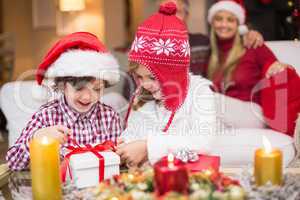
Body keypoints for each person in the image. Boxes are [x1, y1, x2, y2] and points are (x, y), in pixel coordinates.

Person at [116, 2, 217, 167]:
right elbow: (133, 131)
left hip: (183, 178)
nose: (145, 84)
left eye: (152, 77)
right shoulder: (142, 95)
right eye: (139, 77)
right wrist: (125, 144)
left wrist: (148, 146)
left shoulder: (199, 92)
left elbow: (203, 141)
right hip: (143, 179)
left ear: (174, 73)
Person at [6, 32, 122, 170]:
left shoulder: (109, 117)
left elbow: (120, 164)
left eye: (97, 89)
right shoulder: (47, 116)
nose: (87, 97)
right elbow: (14, 163)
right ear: (62, 85)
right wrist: (37, 138)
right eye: (79, 89)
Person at [204, 0, 300, 135]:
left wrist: (277, 67)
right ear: (212, 23)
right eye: (219, 19)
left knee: (205, 98)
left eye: (230, 20)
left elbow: (275, 68)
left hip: (254, 113)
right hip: (226, 116)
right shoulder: (211, 55)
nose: (224, 24)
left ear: (238, 25)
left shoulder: (253, 45)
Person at [161, 0, 265, 75]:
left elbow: (228, 41)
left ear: (186, 15)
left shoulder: (204, 42)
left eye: (177, 12)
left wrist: (248, 34)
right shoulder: (150, 48)